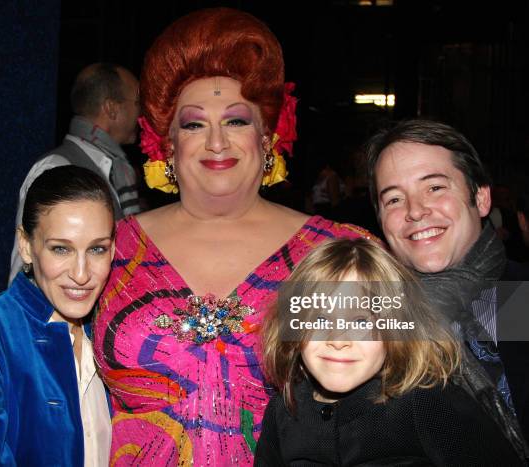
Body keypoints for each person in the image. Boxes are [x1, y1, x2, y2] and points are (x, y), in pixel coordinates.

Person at [91, 8, 373, 466]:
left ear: (268, 139)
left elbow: (425, 356)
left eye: (237, 121)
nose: (217, 142)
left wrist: (497, 277)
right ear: (167, 145)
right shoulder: (108, 248)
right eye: (195, 124)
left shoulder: (340, 252)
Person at [256, 238, 525, 466]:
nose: (338, 340)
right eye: (321, 320)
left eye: (361, 322)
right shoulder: (284, 410)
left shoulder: (427, 403)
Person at [0, 166, 115, 466]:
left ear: (113, 249)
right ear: (26, 247)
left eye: (96, 249)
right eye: (60, 249)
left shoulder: (113, 338)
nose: (81, 274)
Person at [365, 118, 529, 442]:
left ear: (481, 198)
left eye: (435, 187)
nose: (415, 211)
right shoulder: (367, 320)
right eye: (394, 199)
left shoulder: (517, 296)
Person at [9, 63, 141, 282]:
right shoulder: (56, 167)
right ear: (111, 108)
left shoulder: (117, 171)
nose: (142, 113)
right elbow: (23, 271)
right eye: (138, 103)